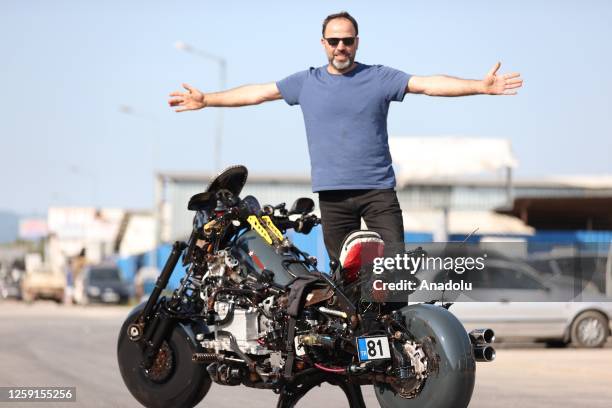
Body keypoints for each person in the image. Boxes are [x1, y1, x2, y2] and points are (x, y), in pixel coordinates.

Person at [168, 11, 523, 261]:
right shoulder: (305, 82)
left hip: (378, 193)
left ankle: (398, 346)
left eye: (347, 40)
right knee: (342, 278)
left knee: (393, 272)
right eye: (334, 40)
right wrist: (207, 99)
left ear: (357, 42)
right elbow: (257, 93)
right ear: (323, 43)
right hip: (333, 197)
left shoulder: (380, 77)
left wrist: (480, 86)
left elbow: (429, 84)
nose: (341, 47)